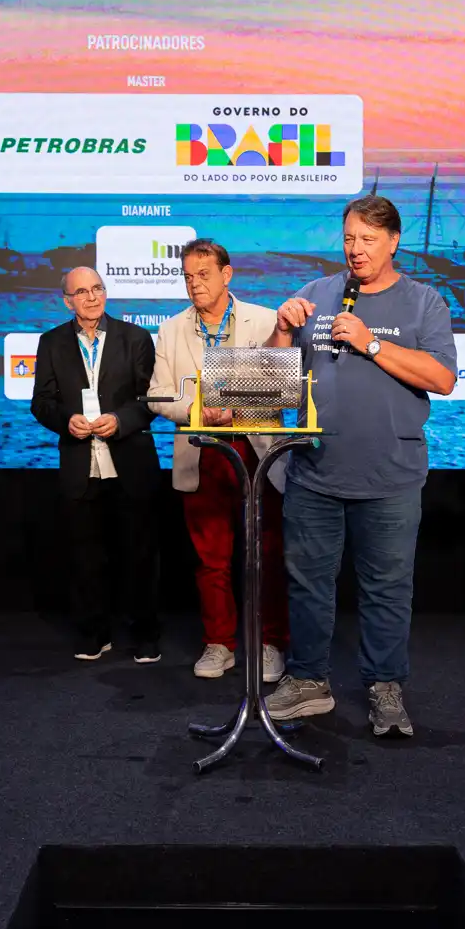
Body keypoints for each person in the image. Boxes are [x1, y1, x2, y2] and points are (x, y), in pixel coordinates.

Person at [263, 194, 457, 737]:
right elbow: (267, 386)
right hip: (313, 473)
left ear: (393, 242)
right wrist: (282, 331)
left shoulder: (424, 302)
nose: (356, 249)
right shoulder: (314, 295)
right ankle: (308, 680)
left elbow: (443, 378)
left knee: (387, 590)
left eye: (368, 239)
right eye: (349, 238)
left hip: (390, 475)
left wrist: (370, 344)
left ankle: (385, 687)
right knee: (307, 585)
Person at [147, 239, 289, 682]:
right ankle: (219, 643)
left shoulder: (265, 320)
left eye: (203, 275)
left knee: (266, 553)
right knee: (211, 558)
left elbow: (282, 389)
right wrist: (197, 408)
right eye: (188, 277)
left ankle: (270, 643)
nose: (194, 284)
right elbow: (158, 395)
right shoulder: (171, 329)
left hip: (257, 451)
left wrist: (232, 406)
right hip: (203, 451)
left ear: (226, 275)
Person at [30, 267, 162, 663]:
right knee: (86, 558)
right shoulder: (51, 342)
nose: (92, 297)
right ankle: (93, 632)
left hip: (129, 463)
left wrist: (120, 420)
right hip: (80, 463)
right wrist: (65, 420)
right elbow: (42, 402)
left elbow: (149, 400)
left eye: (98, 289)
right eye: (82, 292)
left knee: (139, 556)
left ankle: (145, 634)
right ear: (67, 301)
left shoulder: (135, 338)